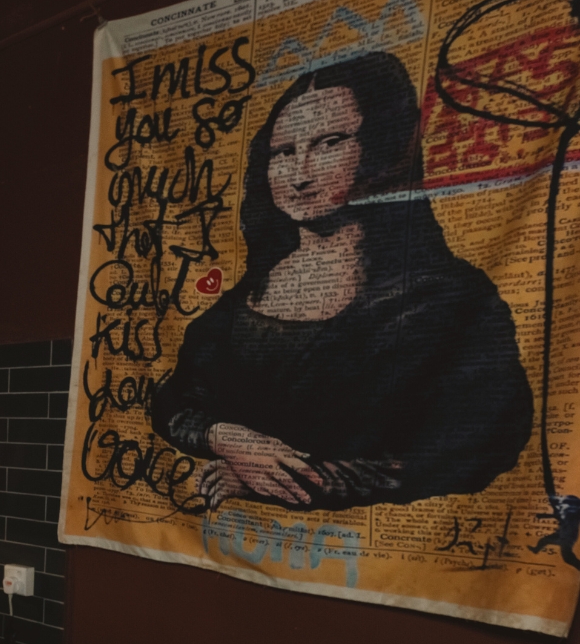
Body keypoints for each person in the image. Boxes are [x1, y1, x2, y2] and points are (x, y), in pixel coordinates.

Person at [152, 51, 533, 511]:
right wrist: (226, 437)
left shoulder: (450, 299)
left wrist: (300, 480)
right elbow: (174, 400)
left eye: (329, 143)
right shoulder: (245, 297)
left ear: (381, 151)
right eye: (283, 152)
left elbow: (477, 445)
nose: (299, 173)